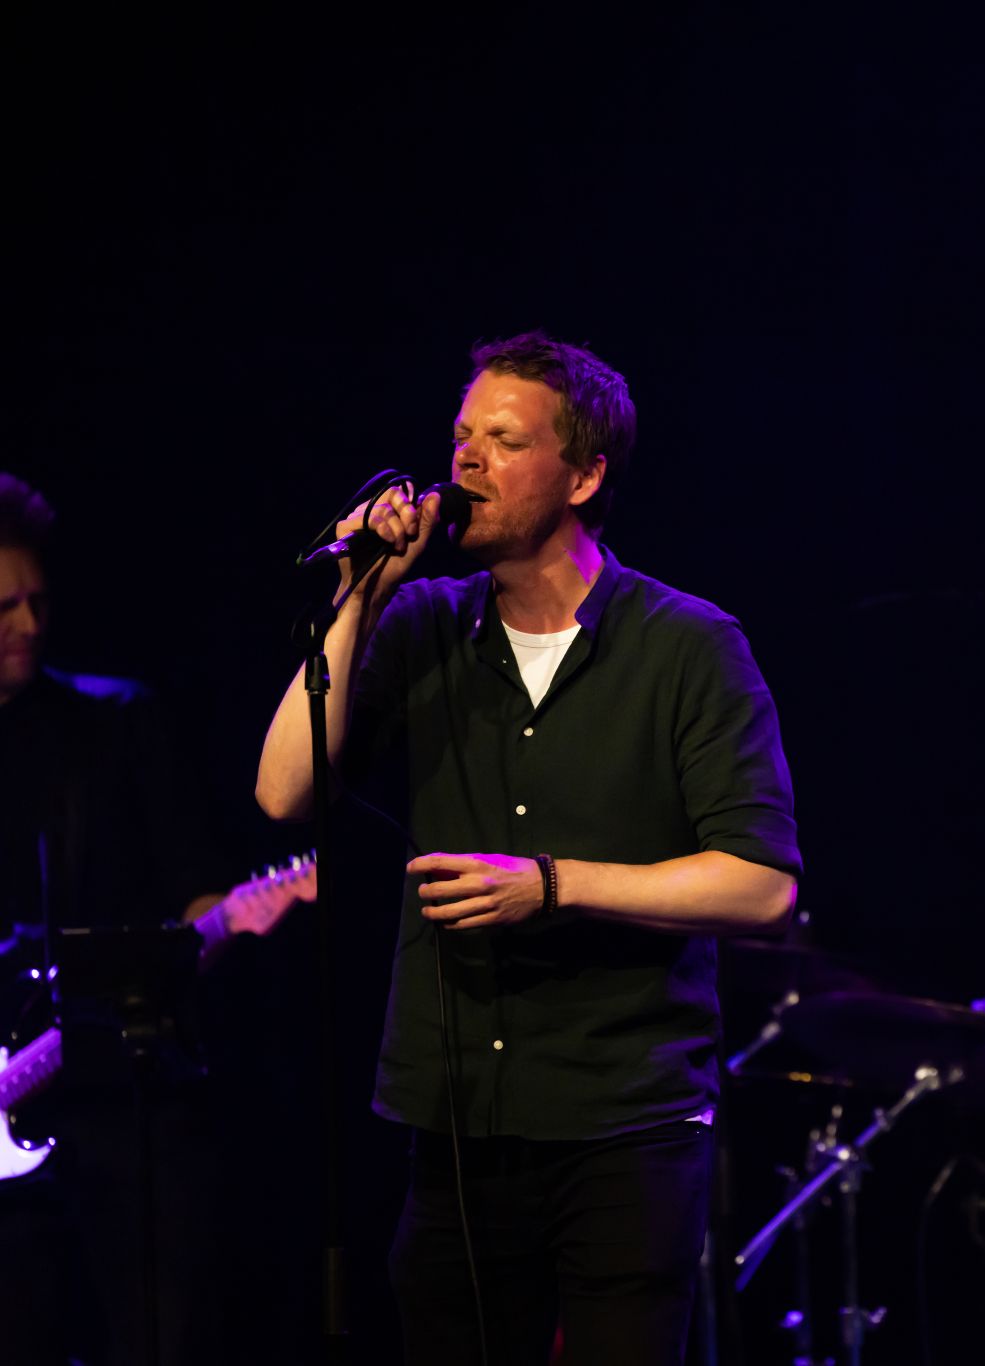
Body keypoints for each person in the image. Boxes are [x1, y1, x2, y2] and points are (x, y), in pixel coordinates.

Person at [255, 331, 801, 1366]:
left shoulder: (687, 645)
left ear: (584, 475)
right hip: (459, 1116)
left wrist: (551, 886)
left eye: (504, 441)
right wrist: (363, 591)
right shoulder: (420, 623)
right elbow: (284, 790)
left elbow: (760, 885)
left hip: (626, 1121)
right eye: (461, 436)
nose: (465, 461)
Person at [0, 472, 306, 1365]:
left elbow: (199, 895)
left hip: (126, 1106)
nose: (29, 623)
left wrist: (224, 925)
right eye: (4, 607)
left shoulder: (116, 721)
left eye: (38, 601)